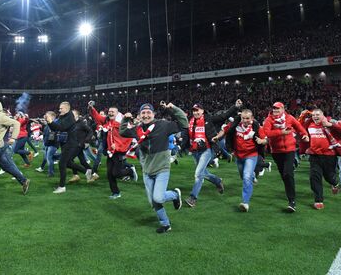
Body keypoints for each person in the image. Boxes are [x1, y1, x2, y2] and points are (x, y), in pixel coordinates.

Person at [120, 102, 188, 233]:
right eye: (143, 113)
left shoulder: (163, 125)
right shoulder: (138, 129)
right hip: (147, 170)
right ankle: (165, 224)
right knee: (153, 202)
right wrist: (125, 119)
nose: (146, 115)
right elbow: (123, 131)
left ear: (153, 114)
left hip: (162, 168)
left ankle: (174, 194)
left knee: (158, 198)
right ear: (140, 115)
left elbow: (184, 123)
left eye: (148, 112)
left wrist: (173, 109)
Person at [184, 100, 241, 208]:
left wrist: (235, 107)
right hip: (195, 151)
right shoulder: (191, 121)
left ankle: (193, 198)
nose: (195, 112)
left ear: (202, 111)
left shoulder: (208, 119)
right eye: (194, 111)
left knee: (198, 174)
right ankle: (217, 181)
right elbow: (189, 136)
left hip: (207, 149)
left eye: (197, 110)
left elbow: (224, 115)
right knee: (204, 173)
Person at [263, 102, 309, 212]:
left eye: (278, 109)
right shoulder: (269, 120)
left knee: (288, 173)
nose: (275, 111)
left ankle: (292, 201)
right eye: (274, 109)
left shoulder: (289, 118)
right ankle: (290, 193)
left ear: (283, 109)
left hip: (289, 150)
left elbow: (299, 127)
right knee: (284, 176)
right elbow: (267, 133)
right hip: (276, 151)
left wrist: (305, 134)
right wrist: (281, 132)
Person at [302, 109, 341, 210]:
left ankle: (334, 183)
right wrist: (304, 136)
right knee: (314, 177)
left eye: (317, 114)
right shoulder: (309, 124)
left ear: (323, 115)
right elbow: (300, 130)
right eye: (313, 115)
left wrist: (330, 125)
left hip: (329, 155)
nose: (315, 116)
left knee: (329, 177)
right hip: (314, 155)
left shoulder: (331, 122)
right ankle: (318, 200)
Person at [89, 101, 136, 199]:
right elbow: (98, 117)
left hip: (119, 151)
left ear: (117, 113)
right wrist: (91, 108)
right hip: (110, 152)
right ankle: (116, 193)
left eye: (112, 112)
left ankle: (130, 171)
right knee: (109, 174)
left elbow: (129, 137)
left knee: (117, 173)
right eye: (109, 111)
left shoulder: (121, 122)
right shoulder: (107, 120)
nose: (110, 113)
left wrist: (118, 146)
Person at [225, 109, 267, 212]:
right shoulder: (235, 126)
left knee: (246, 177)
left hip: (251, 155)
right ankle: (252, 175)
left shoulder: (257, 127)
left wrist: (262, 141)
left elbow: (266, 139)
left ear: (252, 118)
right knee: (243, 176)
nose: (245, 120)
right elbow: (226, 130)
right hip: (239, 156)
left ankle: (245, 202)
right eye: (243, 118)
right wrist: (218, 136)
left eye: (247, 118)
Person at [46, 101, 92, 194]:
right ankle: (86, 171)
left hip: (70, 144)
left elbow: (61, 128)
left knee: (62, 164)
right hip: (65, 143)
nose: (59, 110)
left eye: (61, 108)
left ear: (67, 108)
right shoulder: (63, 116)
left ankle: (62, 187)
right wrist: (49, 122)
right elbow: (55, 128)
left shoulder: (70, 117)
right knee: (68, 163)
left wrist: (51, 121)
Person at [36, 112, 61, 176]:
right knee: (47, 157)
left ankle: (51, 173)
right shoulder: (49, 123)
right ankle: (42, 168)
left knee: (49, 158)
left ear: (52, 117)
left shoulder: (53, 124)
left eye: (47, 116)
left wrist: (46, 144)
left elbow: (52, 136)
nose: (46, 116)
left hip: (52, 144)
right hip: (48, 144)